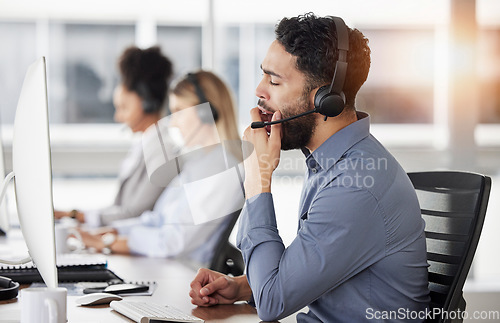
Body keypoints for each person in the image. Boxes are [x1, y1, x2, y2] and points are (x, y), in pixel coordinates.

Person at [189, 13, 430, 322]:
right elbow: (313, 267)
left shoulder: (356, 184)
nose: (259, 91)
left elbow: (273, 303)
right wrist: (242, 287)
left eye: (274, 80)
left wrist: (258, 179)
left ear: (324, 100)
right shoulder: (332, 163)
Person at [77, 70, 245, 266]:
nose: (173, 122)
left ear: (205, 112)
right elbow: (156, 220)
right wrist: (113, 231)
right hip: (164, 265)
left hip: (182, 274)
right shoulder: (198, 163)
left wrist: (110, 243)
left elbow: (174, 242)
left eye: (178, 111)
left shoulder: (223, 170)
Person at [55, 46, 173, 227]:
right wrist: (73, 215)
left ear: (148, 101)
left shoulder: (163, 150)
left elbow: (135, 213)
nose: (118, 117)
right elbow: (119, 207)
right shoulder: (146, 143)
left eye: (124, 107)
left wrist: (75, 216)